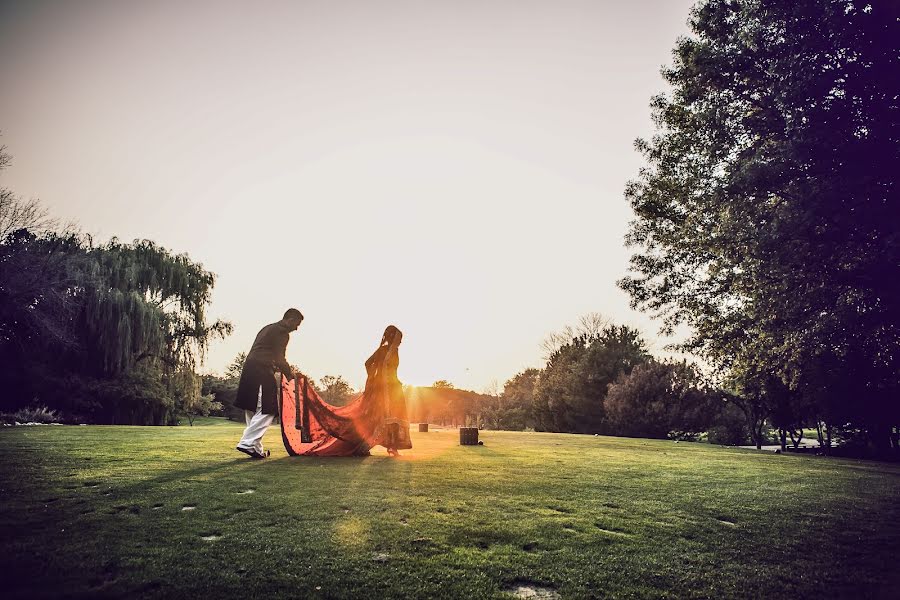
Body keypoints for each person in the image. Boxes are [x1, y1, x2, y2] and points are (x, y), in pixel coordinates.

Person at [235, 308, 303, 459]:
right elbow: (280, 358)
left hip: (249, 369)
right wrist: (290, 376)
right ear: (289, 320)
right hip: (261, 371)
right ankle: (247, 443)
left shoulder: (267, 328)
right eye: (297, 324)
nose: (296, 328)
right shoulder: (282, 333)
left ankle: (256, 449)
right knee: (268, 408)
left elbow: (266, 352)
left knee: (252, 409)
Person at [364, 325, 412, 456]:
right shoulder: (383, 351)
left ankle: (393, 446)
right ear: (393, 338)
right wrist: (374, 379)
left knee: (396, 418)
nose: (401, 341)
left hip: (395, 388)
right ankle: (387, 446)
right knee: (385, 417)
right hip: (385, 390)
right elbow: (368, 363)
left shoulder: (395, 351)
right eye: (399, 338)